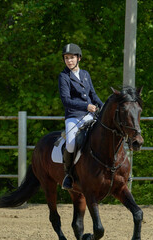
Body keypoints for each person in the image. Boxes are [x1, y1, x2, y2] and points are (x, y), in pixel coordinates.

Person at [58, 43, 104, 190]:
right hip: (73, 116)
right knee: (71, 143)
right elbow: (66, 101)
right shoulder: (64, 76)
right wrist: (86, 106)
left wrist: (103, 107)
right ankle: (69, 175)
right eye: (66, 58)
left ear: (79, 58)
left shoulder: (85, 74)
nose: (69, 61)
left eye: (72, 57)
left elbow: (93, 95)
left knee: (103, 136)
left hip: (90, 115)